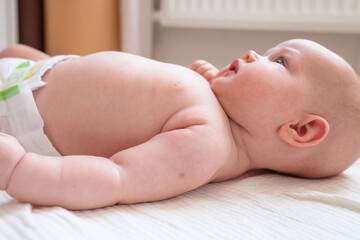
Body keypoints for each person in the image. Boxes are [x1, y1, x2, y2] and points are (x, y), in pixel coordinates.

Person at [0, 39, 359, 210]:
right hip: (46, 72)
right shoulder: (220, 109)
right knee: (15, 49)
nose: (253, 54)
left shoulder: (207, 145)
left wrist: (20, 170)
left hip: (25, 112)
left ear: (299, 130)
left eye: (279, 62)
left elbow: (117, 178)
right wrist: (209, 78)